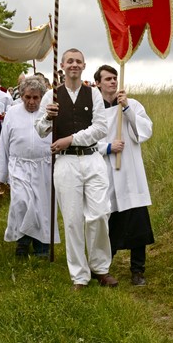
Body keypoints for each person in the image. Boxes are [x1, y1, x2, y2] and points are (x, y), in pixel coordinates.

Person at [35, 48, 117, 290]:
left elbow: (100, 128)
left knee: (100, 213)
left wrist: (70, 139)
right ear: (62, 65)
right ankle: (79, 275)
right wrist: (48, 118)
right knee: (72, 219)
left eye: (78, 62)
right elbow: (40, 130)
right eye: (69, 61)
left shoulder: (93, 94)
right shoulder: (51, 96)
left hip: (92, 159)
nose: (74, 65)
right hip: (66, 163)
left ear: (83, 66)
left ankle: (100, 267)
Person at [94, 64, 155, 286]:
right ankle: (102, 267)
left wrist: (127, 109)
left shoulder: (132, 105)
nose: (112, 82)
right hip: (107, 172)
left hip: (131, 172)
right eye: (107, 79)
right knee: (109, 222)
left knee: (138, 223)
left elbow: (144, 132)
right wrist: (108, 147)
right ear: (98, 83)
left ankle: (137, 270)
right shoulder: (94, 109)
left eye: (114, 78)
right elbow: (88, 140)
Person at [0, 76, 60, 257]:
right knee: (21, 203)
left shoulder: (50, 113)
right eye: (27, 97)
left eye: (36, 98)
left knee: (42, 207)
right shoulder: (12, 113)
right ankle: (22, 242)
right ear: (21, 95)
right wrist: (1, 174)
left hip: (44, 166)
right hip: (19, 166)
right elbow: (4, 143)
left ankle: (42, 246)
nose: (31, 102)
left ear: (41, 97)